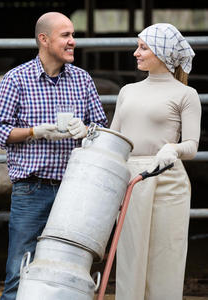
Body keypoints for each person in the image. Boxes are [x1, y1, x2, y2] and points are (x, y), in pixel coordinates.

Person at [0, 12, 107, 300]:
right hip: (31, 189)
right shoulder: (16, 79)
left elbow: (101, 130)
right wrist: (34, 132)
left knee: (69, 269)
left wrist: (87, 130)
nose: (73, 42)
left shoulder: (81, 80)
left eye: (73, 35)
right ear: (44, 39)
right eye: (65, 35)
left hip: (75, 190)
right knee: (19, 269)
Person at [110, 23, 201, 300]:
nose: (136, 53)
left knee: (166, 254)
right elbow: (114, 138)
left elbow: (192, 146)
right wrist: (89, 136)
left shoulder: (186, 95)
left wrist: (172, 149)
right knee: (130, 254)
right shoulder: (127, 91)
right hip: (132, 180)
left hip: (167, 179)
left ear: (161, 53)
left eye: (143, 47)